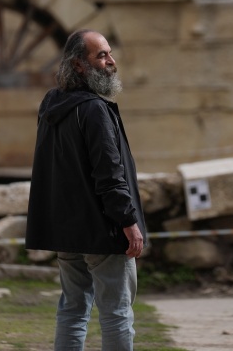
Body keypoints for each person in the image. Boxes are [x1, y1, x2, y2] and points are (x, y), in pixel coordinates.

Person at [26, 29, 147, 351]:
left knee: (72, 308)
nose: (111, 61)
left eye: (109, 53)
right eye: (102, 56)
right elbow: (109, 174)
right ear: (79, 65)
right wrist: (128, 222)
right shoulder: (93, 109)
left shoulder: (52, 103)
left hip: (67, 230)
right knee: (117, 313)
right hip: (101, 231)